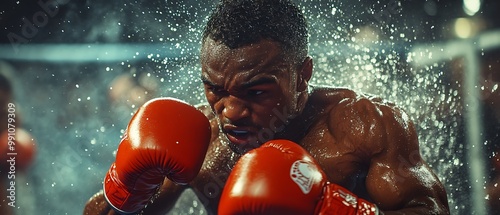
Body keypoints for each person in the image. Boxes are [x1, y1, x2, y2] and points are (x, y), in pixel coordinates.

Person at [84, 0, 450, 214]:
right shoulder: (199, 138)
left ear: (302, 74)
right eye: (215, 90)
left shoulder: (361, 125)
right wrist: (125, 186)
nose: (230, 111)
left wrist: (331, 207)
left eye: (255, 92)